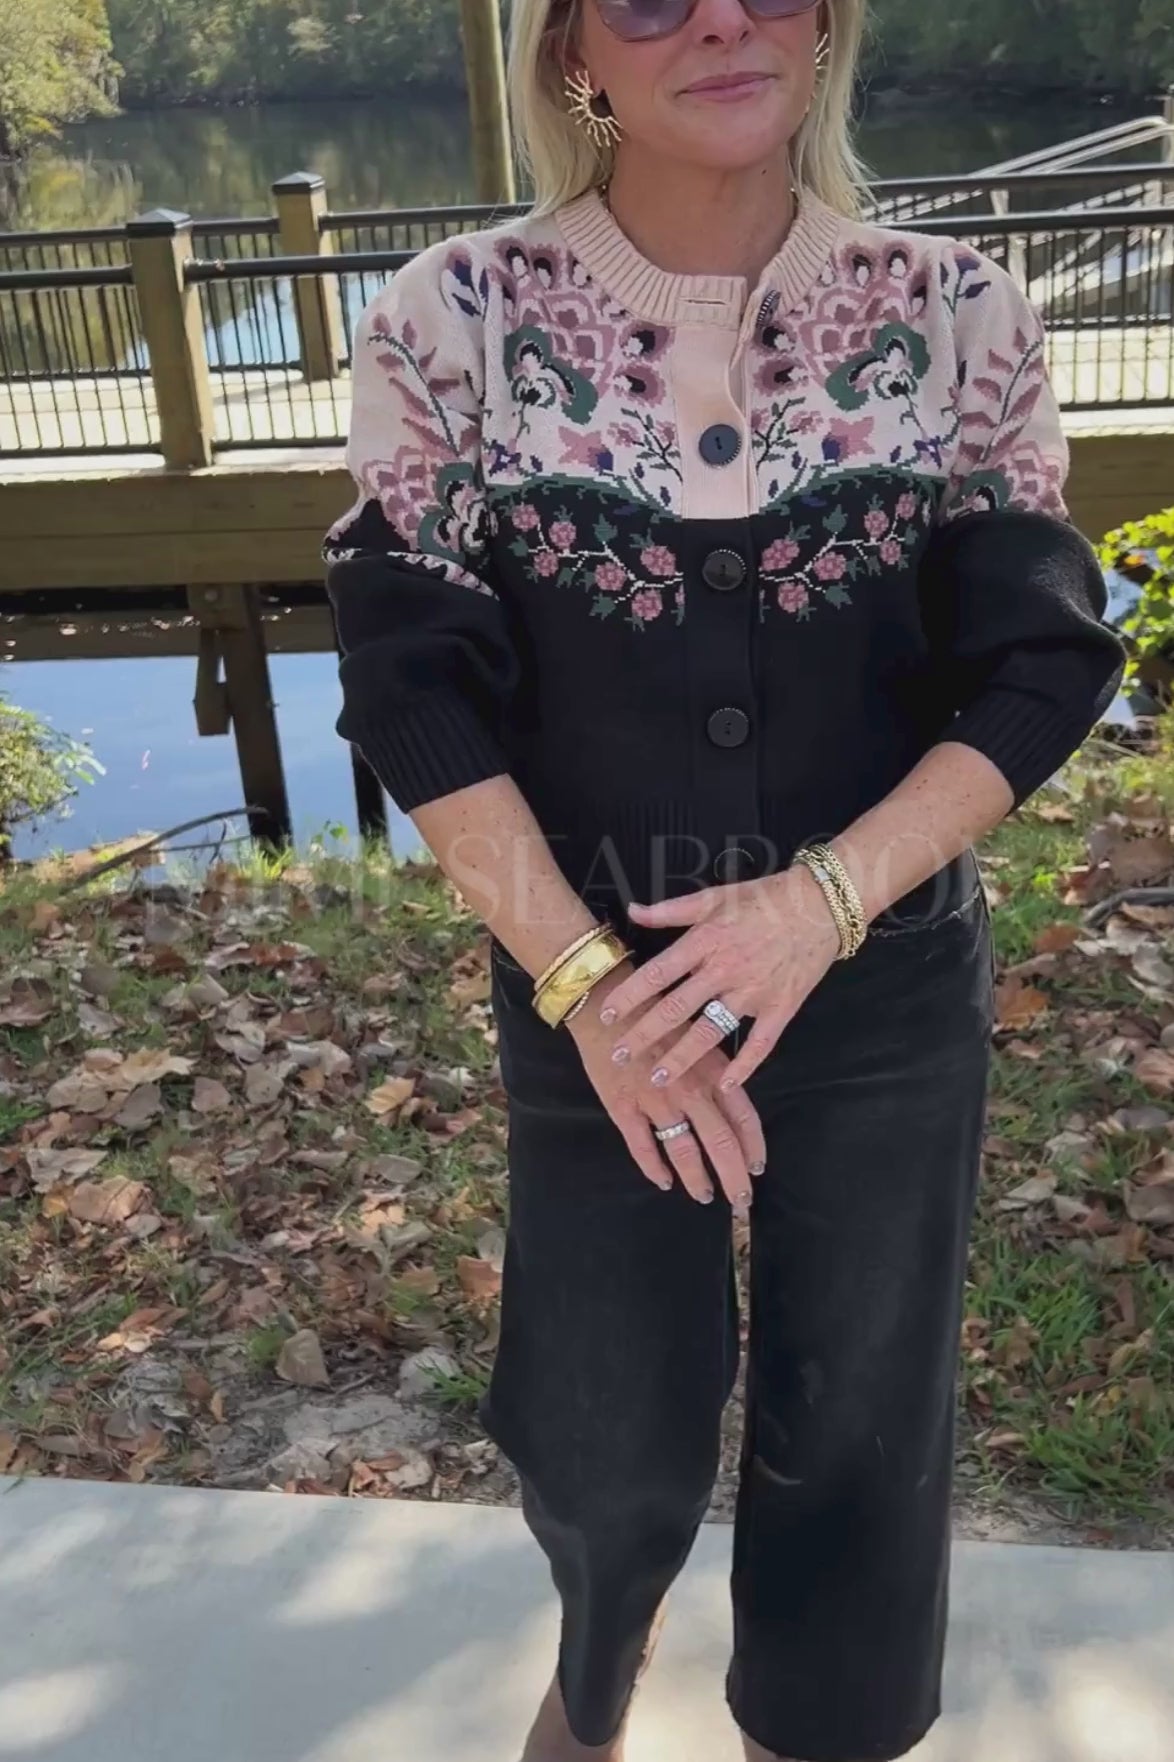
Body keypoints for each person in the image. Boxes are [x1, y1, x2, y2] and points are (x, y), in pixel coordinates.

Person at [323, 0, 1126, 1755]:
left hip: (883, 974)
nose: (718, 20)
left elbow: (1039, 668)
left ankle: (817, 1729)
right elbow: (410, 689)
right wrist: (585, 985)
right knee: (603, 1419)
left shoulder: (954, 314)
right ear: (569, 52)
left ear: (826, 22)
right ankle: (595, 1677)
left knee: (864, 1416)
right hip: (590, 984)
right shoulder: (452, 319)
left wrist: (821, 901)